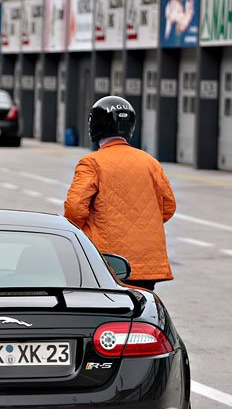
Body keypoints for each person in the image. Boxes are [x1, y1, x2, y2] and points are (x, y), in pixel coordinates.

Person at [64, 96, 176, 291]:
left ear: (95, 126)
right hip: (148, 261)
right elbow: (168, 207)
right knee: (141, 313)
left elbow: (74, 210)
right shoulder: (150, 162)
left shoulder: (92, 163)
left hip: (110, 260)